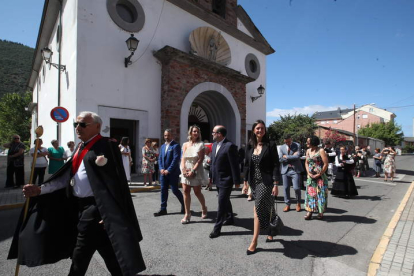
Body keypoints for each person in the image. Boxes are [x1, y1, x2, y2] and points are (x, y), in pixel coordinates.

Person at [9, 111, 146, 275]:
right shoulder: (80, 147)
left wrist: (109, 214)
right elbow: (66, 177)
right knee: (109, 254)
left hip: (95, 209)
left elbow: (116, 184)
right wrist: (40, 189)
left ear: (97, 126)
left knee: (80, 256)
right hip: (79, 207)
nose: (78, 128)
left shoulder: (106, 146)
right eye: (76, 124)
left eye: (83, 124)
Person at [242, 120, 280, 255]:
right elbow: (246, 165)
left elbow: (276, 164)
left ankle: (254, 241)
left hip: (266, 181)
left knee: (257, 208)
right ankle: (272, 229)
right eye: (257, 128)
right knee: (268, 207)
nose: (260, 130)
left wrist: (276, 184)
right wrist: (245, 182)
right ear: (253, 130)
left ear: (265, 130)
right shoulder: (249, 145)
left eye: (262, 128)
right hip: (254, 181)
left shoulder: (270, 145)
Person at [208, 125, 241, 239]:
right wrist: (210, 177)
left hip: (226, 180)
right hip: (217, 178)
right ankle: (230, 218)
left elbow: (234, 165)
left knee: (221, 203)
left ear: (219, 134)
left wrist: (237, 181)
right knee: (225, 200)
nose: (212, 134)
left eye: (214, 132)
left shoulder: (230, 146)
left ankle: (217, 228)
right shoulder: (214, 145)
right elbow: (213, 162)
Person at [180, 125, 208, 224]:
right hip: (185, 167)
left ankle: (204, 208)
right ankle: (187, 214)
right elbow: (183, 157)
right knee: (185, 191)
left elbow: (200, 159)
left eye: (197, 131)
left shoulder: (201, 144)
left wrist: (193, 170)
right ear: (190, 132)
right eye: (194, 131)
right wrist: (183, 169)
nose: (196, 133)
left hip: (195, 168)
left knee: (197, 192)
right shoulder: (185, 144)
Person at [154, 129, 185, 216]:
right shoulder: (163, 146)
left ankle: (184, 205)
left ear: (172, 136)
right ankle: (163, 209)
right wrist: (161, 169)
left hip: (172, 173)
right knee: (163, 190)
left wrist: (169, 170)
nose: (166, 137)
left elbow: (175, 160)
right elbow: (160, 158)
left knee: (175, 190)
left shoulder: (175, 146)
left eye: (168, 135)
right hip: (163, 173)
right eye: (165, 135)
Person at [304, 136, 329, 220]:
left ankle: (320, 212)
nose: (306, 143)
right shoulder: (308, 151)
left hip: (320, 177)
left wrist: (319, 174)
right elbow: (306, 163)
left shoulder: (321, 150)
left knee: (320, 194)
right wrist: (308, 173)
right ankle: (309, 211)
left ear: (313, 142)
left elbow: (326, 164)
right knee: (310, 194)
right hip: (310, 176)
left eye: (308, 141)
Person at [279, 134, 304, 212]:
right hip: (285, 170)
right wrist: (290, 157)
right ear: (284, 141)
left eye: (289, 142)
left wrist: (286, 156)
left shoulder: (297, 145)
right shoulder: (281, 147)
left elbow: (297, 157)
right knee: (286, 188)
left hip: (295, 170)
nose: (288, 143)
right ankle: (287, 204)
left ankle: (298, 203)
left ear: (291, 139)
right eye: (286, 142)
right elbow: (280, 159)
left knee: (296, 188)